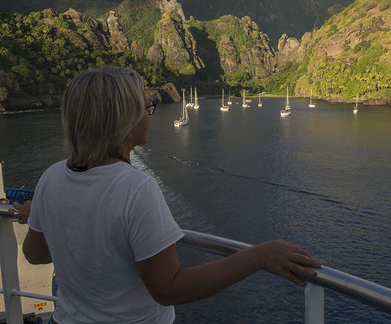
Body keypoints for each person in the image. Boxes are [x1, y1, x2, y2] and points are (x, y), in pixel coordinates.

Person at [20, 66, 321, 323]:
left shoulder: (52, 177)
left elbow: (36, 254)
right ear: (125, 121)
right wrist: (258, 256)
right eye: (145, 108)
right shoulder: (136, 189)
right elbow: (168, 289)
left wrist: (41, 215)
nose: (150, 116)